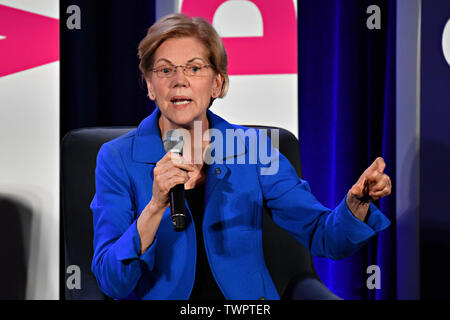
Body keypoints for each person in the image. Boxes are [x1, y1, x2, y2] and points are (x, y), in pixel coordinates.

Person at [90, 13, 392, 300]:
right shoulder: (117, 158)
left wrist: (356, 203)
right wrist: (155, 206)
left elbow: (325, 237)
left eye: (194, 68)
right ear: (150, 86)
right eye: (165, 70)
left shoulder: (253, 149)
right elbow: (111, 281)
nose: (179, 80)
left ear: (217, 84)